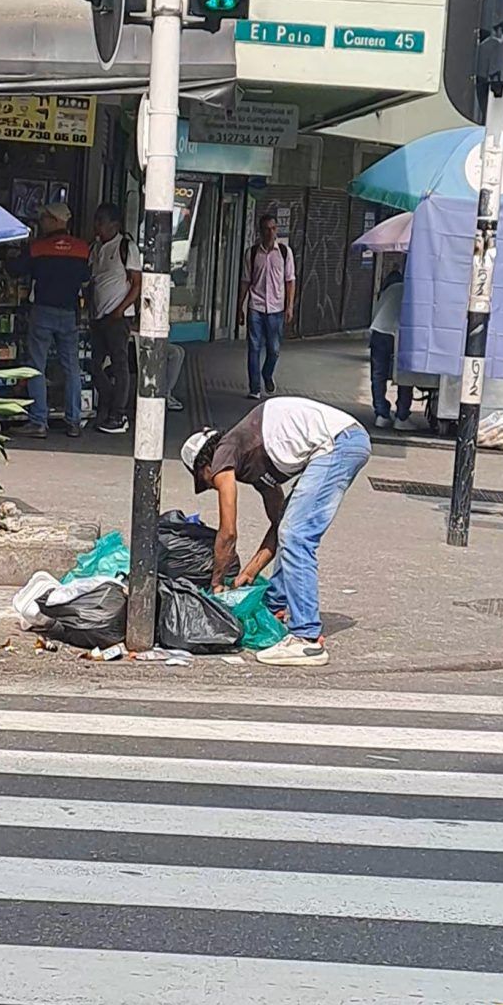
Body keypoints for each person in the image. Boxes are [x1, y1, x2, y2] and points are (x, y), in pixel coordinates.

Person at [181, 397, 371, 668]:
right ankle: (276, 606)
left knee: (296, 536)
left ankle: (306, 639)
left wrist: (217, 583)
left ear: (205, 466)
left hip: (338, 443)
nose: (213, 486)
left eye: (205, 481)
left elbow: (228, 533)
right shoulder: (254, 463)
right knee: (289, 529)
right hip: (343, 441)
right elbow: (276, 524)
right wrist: (250, 572)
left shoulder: (225, 451)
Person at [9, 203, 89, 439]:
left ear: (54, 220)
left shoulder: (38, 247)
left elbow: (15, 270)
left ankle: (38, 421)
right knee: (72, 367)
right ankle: (74, 421)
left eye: (44, 218)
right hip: (69, 313)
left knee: (36, 365)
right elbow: (86, 279)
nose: (41, 222)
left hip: (43, 311)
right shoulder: (82, 249)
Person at [90, 203, 142, 434]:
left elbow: (137, 283)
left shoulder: (126, 247)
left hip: (118, 317)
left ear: (115, 224)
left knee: (120, 365)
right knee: (94, 364)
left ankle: (118, 414)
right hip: (98, 315)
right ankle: (109, 401)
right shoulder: (96, 248)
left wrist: (121, 310)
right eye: (97, 221)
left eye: (102, 221)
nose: (97, 226)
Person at [238, 214, 296, 400]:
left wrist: (289, 306)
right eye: (266, 229)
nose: (270, 233)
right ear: (260, 231)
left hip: (276, 308)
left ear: (276, 230)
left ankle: (267, 374)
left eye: (273, 229)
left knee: (274, 349)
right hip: (256, 305)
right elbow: (246, 281)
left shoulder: (285, 253)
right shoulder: (252, 253)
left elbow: (289, 281)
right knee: (254, 347)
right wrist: (240, 306)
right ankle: (254, 388)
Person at [369, 261, 414, 431]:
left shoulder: (387, 291)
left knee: (378, 375)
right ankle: (402, 416)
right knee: (405, 376)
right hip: (399, 335)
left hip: (379, 331)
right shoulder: (410, 291)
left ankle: (381, 414)